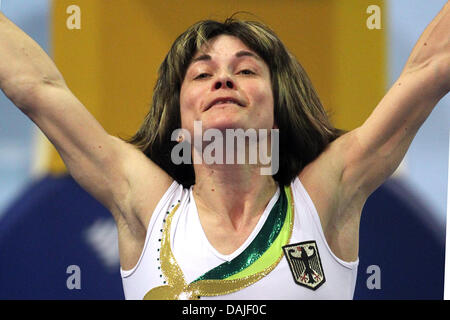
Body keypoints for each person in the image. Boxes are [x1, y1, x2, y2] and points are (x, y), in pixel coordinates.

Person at [0, 3, 448, 300]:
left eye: (246, 69)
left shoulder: (326, 196)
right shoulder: (144, 203)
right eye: (202, 73)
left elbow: (430, 68)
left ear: (278, 104)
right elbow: (36, 87)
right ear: (179, 117)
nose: (223, 79)